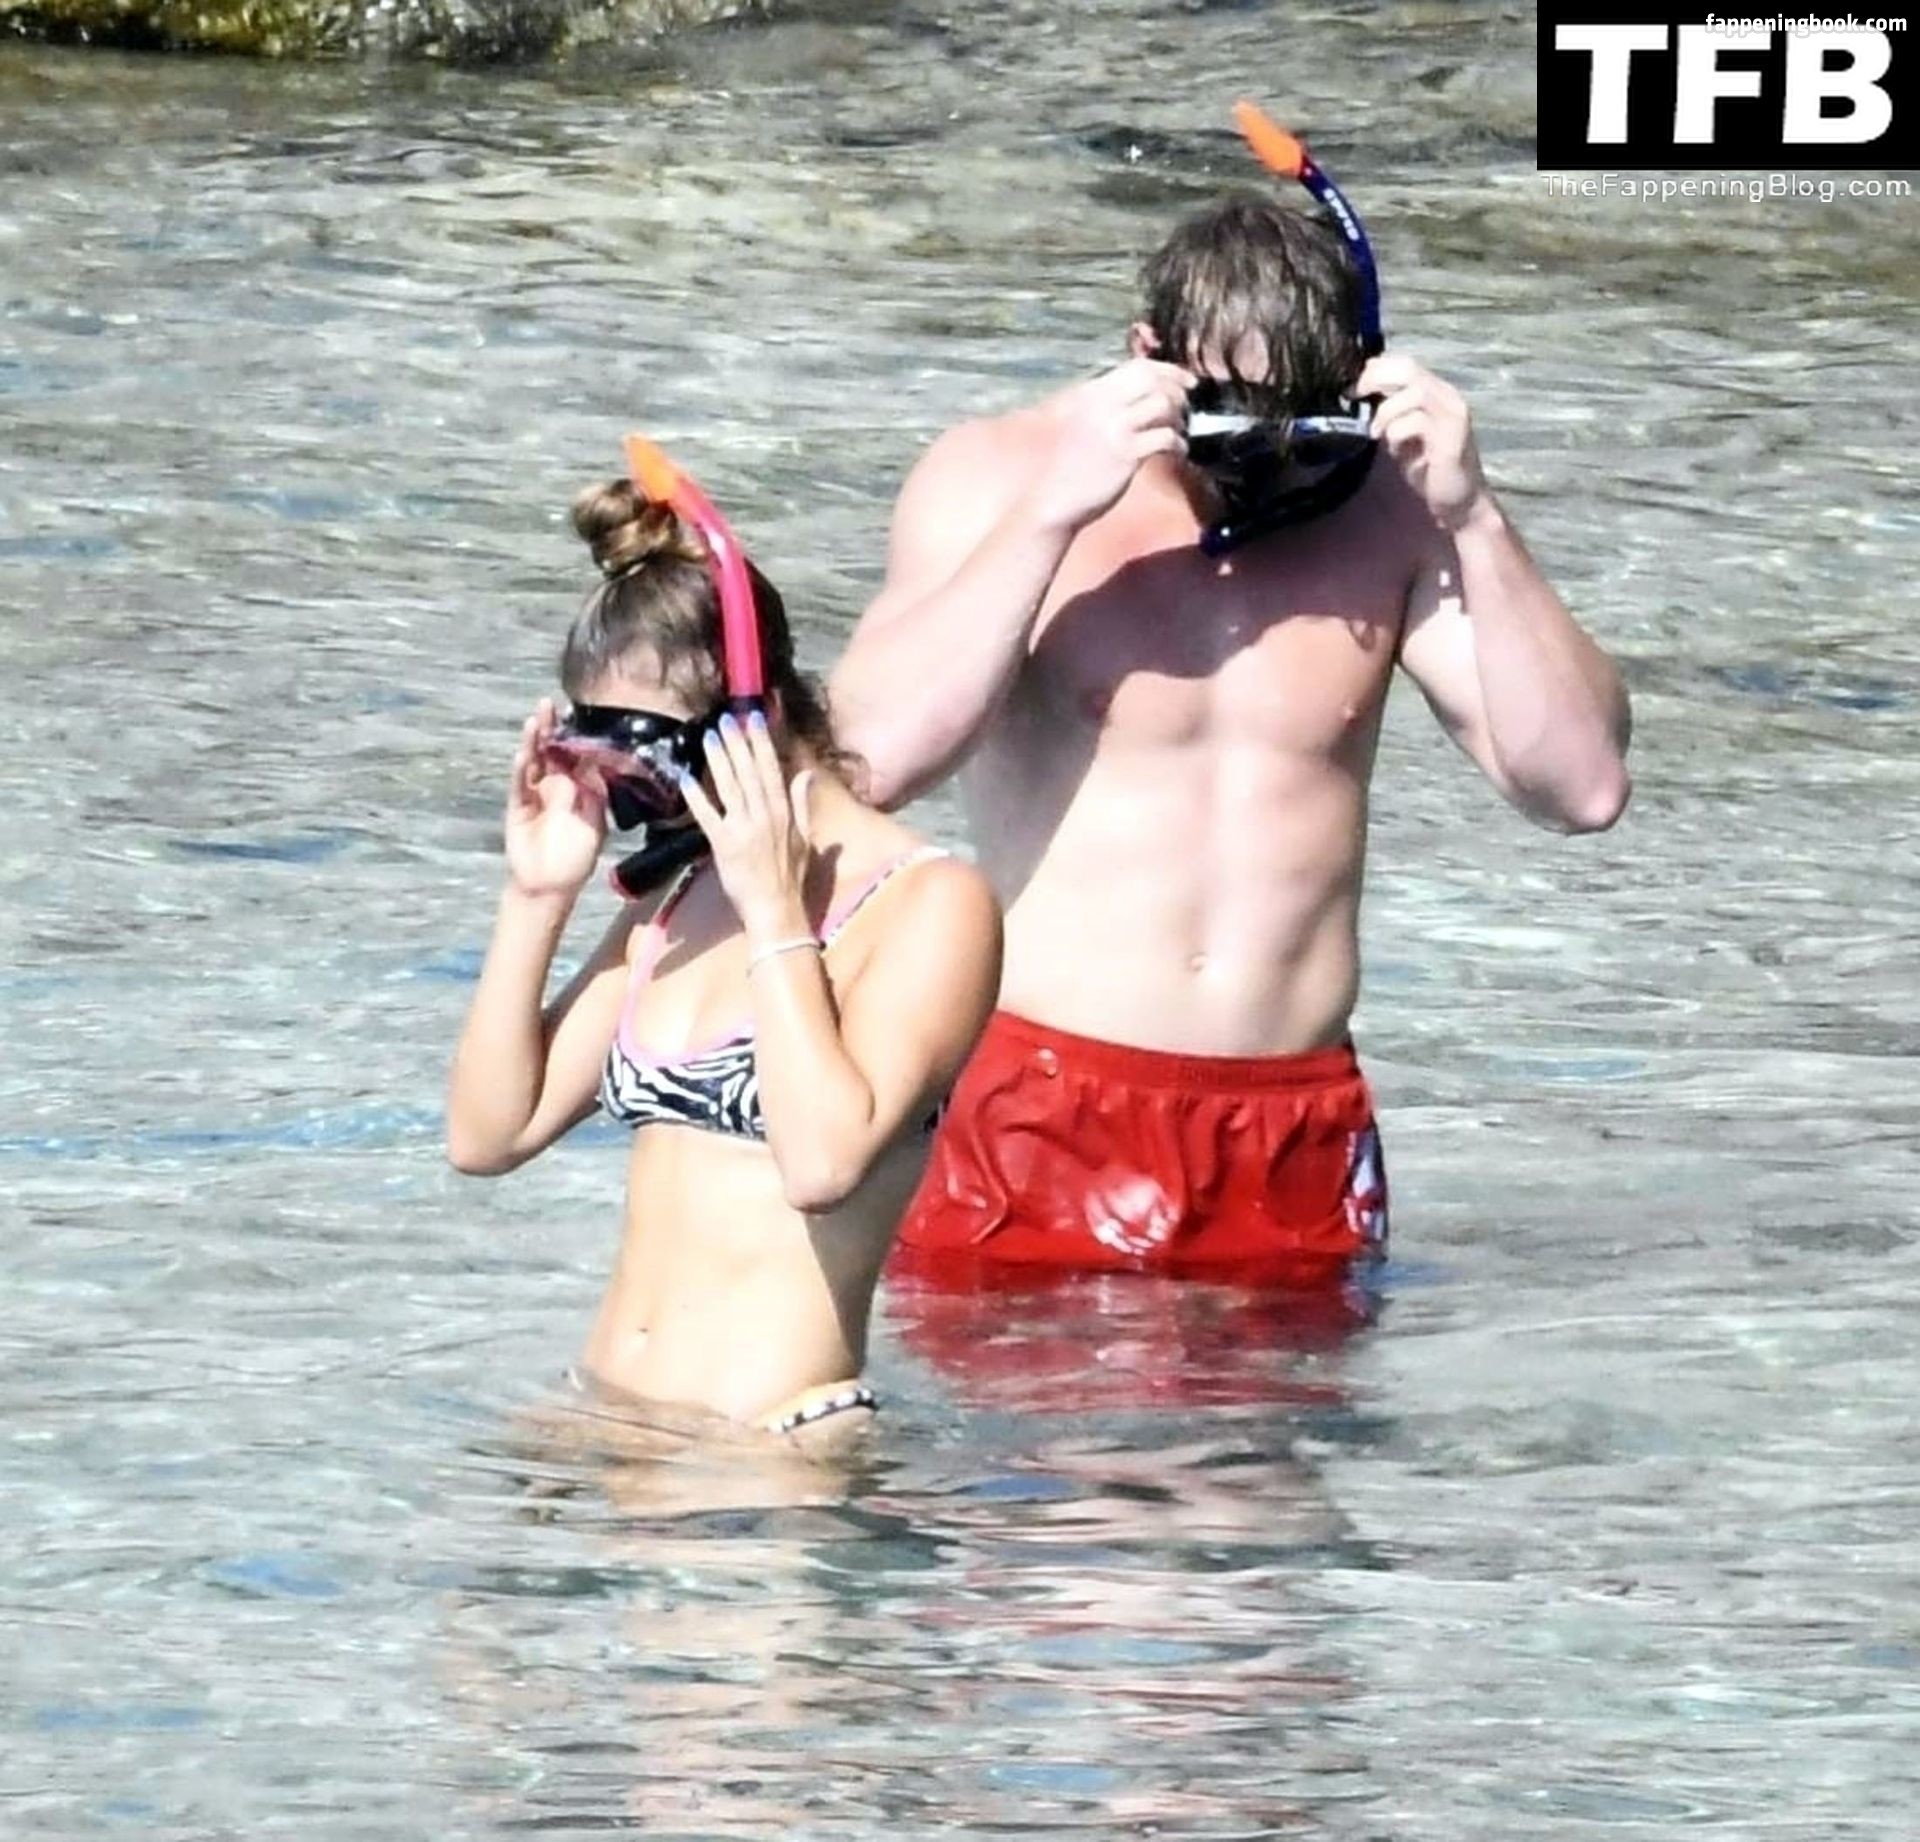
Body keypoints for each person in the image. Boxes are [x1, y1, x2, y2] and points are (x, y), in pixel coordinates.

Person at [829, 114, 1631, 1290]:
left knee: (1289, 1418)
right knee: (1016, 1410)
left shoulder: (1395, 510)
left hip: (1292, 1123)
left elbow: (1584, 788)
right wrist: (1053, 512)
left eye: (1307, 431)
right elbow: (872, 761)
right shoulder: (1003, 474)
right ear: (1148, 358)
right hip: (1045, 1102)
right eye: (1233, 425)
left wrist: (1474, 514)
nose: (1273, 470)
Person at [446, 458, 1002, 1446]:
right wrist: (536, 895)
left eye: (650, 764)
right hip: (600, 1418)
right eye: (604, 765)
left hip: (769, 1448)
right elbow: (489, 1137)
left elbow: (822, 1163)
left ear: (758, 722)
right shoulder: (679, 898)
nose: (634, 803)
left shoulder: (928, 903)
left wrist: (775, 909)